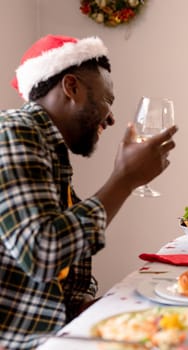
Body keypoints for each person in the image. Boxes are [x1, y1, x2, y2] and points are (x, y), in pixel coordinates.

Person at [0, 35, 177, 349]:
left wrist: (87, 307)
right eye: (107, 99)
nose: (110, 117)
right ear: (72, 87)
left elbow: (48, 279)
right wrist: (123, 180)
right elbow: (44, 254)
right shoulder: (14, 131)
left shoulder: (48, 148)